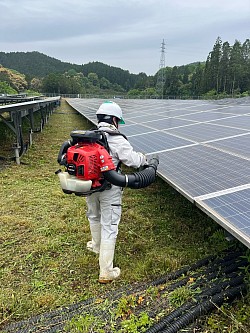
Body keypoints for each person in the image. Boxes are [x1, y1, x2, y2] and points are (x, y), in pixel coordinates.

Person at [86, 100, 147, 284]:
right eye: (118, 121)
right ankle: (106, 271)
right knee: (110, 226)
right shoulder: (116, 138)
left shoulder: (91, 136)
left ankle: (96, 246)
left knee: (93, 216)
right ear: (113, 119)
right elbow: (133, 161)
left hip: (90, 186)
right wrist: (145, 159)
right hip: (110, 187)